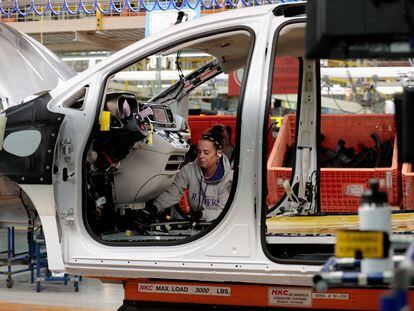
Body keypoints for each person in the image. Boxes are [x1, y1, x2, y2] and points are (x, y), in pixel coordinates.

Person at [144, 125, 233, 223]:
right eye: (199, 152)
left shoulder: (228, 178)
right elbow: (173, 192)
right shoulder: (189, 170)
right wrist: (155, 207)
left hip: (217, 226)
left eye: (206, 153)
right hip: (195, 224)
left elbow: (223, 211)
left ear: (219, 153)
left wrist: (201, 214)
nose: (201, 156)